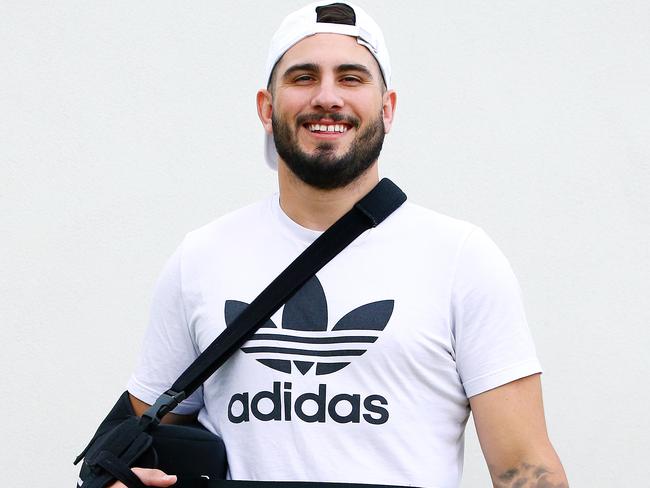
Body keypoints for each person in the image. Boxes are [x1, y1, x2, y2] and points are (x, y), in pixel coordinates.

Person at [112, 2, 568, 487]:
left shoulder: (461, 259)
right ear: (267, 108)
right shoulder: (201, 258)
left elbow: (526, 469)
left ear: (387, 108)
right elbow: (134, 445)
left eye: (351, 78)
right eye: (303, 77)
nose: (327, 97)